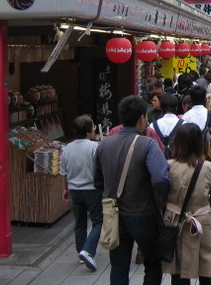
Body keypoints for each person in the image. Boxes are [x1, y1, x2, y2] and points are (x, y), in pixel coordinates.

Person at [95, 95, 171, 285]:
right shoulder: (147, 144)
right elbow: (161, 177)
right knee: (153, 263)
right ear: (142, 118)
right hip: (143, 213)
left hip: (114, 214)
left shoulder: (104, 145)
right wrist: (161, 198)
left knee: (119, 266)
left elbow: (97, 181)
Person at [163, 123, 211, 285]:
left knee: (178, 271)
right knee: (207, 268)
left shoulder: (168, 166)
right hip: (201, 220)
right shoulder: (208, 167)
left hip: (174, 220)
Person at [60, 115, 102, 271]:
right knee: (98, 222)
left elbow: (63, 171)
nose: (94, 129)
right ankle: (88, 250)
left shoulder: (67, 147)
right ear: (88, 131)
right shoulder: (93, 147)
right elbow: (99, 169)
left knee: (79, 223)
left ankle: (81, 251)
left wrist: (65, 189)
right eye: (93, 127)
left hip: (75, 190)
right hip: (91, 190)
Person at [150, 93, 185, 158]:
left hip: (159, 161)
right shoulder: (184, 124)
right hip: (178, 161)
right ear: (176, 107)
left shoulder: (153, 125)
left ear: (162, 107)